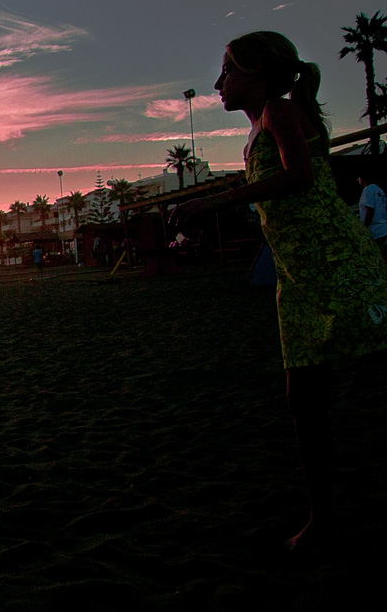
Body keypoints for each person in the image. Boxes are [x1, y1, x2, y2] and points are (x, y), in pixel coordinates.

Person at [170, 32, 387, 549]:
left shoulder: (281, 113)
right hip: (299, 275)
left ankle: (328, 515)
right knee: (303, 399)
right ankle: (324, 516)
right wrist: (212, 206)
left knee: (360, 380)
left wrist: (215, 204)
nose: (219, 83)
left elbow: (302, 175)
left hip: (337, 265)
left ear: (258, 74)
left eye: (228, 70)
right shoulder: (258, 129)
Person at [358, 165, 387, 260]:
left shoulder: (368, 190)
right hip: (383, 227)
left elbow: (370, 210)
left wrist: (364, 227)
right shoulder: (379, 189)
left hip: (376, 230)